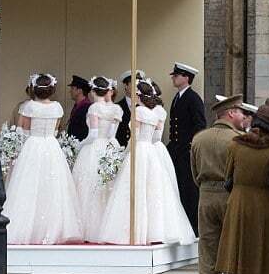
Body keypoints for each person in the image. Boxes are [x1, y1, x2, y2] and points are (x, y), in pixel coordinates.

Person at [99, 79, 196, 246]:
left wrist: (125, 153)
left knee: (135, 189)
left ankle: (134, 231)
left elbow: (134, 137)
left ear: (139, 95)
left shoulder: (139, 112)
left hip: (139, 149)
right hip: (150, 151)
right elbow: (156, 137)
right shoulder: (154, 113)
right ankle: (155, 231)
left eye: (135, 94)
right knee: (152, 190)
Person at [217, 99, 269, 274]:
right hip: (265, 202)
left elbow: (228, 175)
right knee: (267, 254)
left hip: (239, 202)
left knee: (239, 254)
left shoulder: (237, 145)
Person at [3, 73, 82, 244]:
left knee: (29, 186)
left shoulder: (29, 106)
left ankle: (27, 228)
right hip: (52, 146)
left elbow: (22, 130)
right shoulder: (57, 107)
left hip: (33, 145)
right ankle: (53, 228)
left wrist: (16, 150)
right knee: (53, 186)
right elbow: (56, 129)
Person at [191, 94, 248, 274]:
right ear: (231, 113)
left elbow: (194, 171)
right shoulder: (238, 140)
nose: (243, 117)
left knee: (207, 246)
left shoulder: (199, 138)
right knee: (232, 246)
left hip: (205, 194)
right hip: (230, 195)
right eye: (241, 112)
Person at [72, 75, 122, 242]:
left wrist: (79, 146)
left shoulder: (94, 108)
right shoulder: (116, 109)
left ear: (93, 91)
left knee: (89, 187)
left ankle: (89, 229)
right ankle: (109, 227)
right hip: (110, 146)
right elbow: (111, 134)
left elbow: (93, 135)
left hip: (94, 148)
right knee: (108, 187)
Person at [167, 62, 206, 234]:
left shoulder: (193, 98)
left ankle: (193, 226)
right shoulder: (178, 97)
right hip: (176, 149)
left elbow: (200, 125)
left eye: (177, 75)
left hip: (186, 151)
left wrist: (192, 148)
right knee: (178, 187)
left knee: (189, 189)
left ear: (186, 78)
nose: (174, 78)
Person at [115, 69, 145, 147]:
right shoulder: (117, 107)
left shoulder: (144, 107)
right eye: (135, 84)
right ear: (126, 85)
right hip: (122, 148)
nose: (138, 88)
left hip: (140, 151)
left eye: (139, 84)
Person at [66, 75, 91, 142]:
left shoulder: (87, 108)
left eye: (72, 88)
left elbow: (85, 131)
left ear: (79, 90)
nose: (70, 91)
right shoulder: (77, 105)